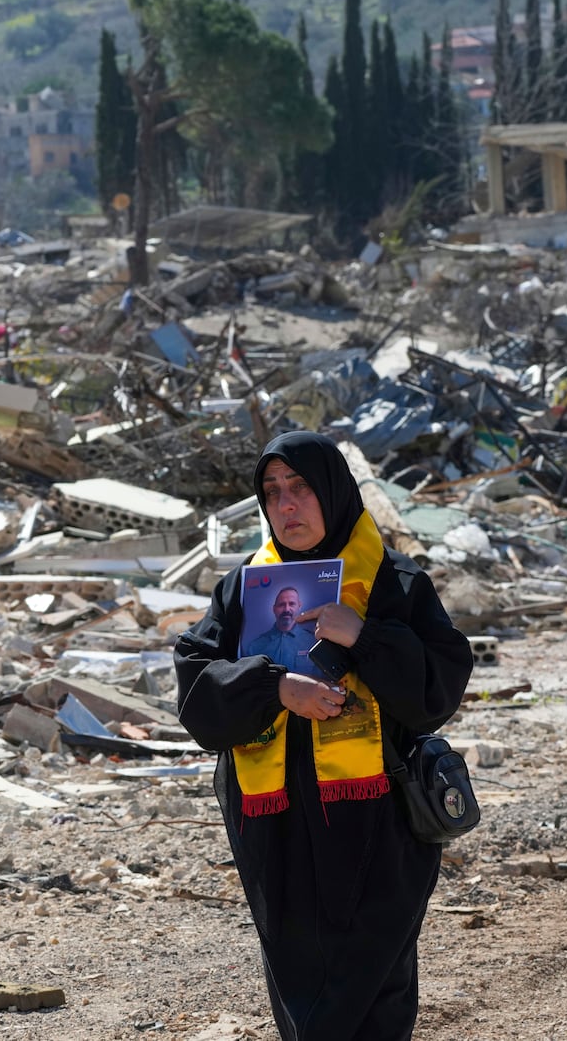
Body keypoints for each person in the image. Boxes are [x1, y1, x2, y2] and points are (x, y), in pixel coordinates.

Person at [174, 432, 474, 1040]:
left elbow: (438, 688)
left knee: (376, 977)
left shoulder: (393, 582)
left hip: (378, 824)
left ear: (334, 491)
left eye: (302, 487)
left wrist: (363, 636)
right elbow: (195, 693)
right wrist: (273, 689)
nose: (287, 505)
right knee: (298, 976)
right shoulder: (241, 589)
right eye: (273, 491)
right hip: (275, 826)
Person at [244, 586, 318, 675]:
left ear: (299, 606)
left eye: (291, 604)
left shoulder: (314, 642)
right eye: (281, 605)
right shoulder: (255, 647)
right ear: (274, 609)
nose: (286, 609)